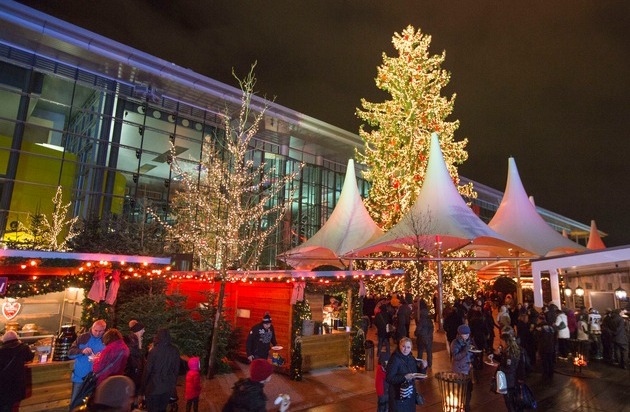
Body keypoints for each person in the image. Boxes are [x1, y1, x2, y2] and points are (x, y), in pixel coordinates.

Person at [68, 319, 107, 405]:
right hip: (80, 377)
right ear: (92, 328)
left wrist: (100, 357)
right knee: (75, 403)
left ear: (104, 330)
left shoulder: (106, 340)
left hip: (96, 378)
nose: (97, 333)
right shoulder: (83, 337)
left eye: (100, 331)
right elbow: (70, 354)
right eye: (95, 330)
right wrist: (82, 351)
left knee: (92, 405)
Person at [142, 328, 181, 412]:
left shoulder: (153, 352)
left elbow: (148, 370)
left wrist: (143, 385)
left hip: (153, 387)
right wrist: (172, 383)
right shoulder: (175, 351)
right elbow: (176, 370)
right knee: (162, 409)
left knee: (152, 409)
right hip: (167, 386)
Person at [385, 337, 426, 412]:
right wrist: (404, 377)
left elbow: (417, 375)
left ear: (411, 348)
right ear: (399, 346)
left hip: (409, 394)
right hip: (398, 396)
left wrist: (423, 368)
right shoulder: (395, 359)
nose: (405, 349)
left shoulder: (411, 358)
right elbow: (389, 378)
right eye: (403, 346)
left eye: (408, 347)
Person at [0, 330, 34, 412]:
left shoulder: (1, 350)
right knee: (10, 406)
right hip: (16, 385)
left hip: (3, 385)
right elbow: (30, 357)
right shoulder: (24, 348)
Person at [495, 330, 523, 412]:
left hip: (509, 381)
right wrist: (495, 355)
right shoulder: (509, 351)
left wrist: (499, 368)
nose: (500, 344)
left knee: (509, 402)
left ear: (506, 342)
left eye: (501, 342)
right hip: (511, 380)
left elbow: (510, 368)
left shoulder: (509, 354)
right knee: (511, 401)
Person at [450, 324, 473, 412]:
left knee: (469, 389)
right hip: (459, 370)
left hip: (468, 369)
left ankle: (466, 405)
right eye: (465, 334)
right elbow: (456, 357)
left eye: (468, 334)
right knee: (461, 390)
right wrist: (465, 350)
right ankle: (461, 407)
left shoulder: (469, 341)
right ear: (460, 334)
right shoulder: (455, 343)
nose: (467, 336)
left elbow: (471, 353)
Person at [124, 321, 146, 406]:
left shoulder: (136, 340)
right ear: (138, 331)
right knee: (131, 398)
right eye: (142, 329)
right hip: (132, 374)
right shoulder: (132, 341)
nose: (144, 331)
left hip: (136, 375)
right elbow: (135, 355)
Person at [414, 299, 434, 368]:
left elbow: (418, 329)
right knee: (429, 352)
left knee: (420, 352)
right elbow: (431, 329)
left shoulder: (421, 321)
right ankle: (430, 364)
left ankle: (419, 363)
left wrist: (416, 334)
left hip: (421, 338)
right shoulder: (430, 321)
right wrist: (429, 336)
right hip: (428, 339)